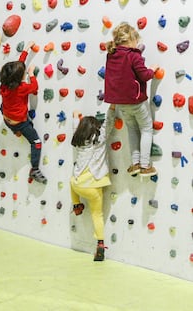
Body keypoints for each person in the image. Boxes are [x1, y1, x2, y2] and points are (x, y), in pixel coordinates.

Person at [104, 22, 159, 177]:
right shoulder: (133, 55)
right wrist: (153, 69)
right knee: (146, 128)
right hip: (136, 101)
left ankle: (134, 163)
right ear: (130, 40)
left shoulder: (111, 55)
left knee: (132, 130)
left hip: (121, 102)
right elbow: (144, 75)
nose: (137, 44)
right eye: (136, 40)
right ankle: (145, 165)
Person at [70, 105, 116, 261]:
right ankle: (100, 245)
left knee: (71, 181)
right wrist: (112, 107)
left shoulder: (80, 141)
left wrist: (77, 115)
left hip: (78, 185)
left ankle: (76, 205)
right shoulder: (100, 139)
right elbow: (109, 122)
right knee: (97, 215)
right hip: (94, 187)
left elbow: (75, 124)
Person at [0, 41, 47, 184]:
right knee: (36, 142)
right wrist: (31, 74)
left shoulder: (4, 85)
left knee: (3, 106)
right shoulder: (23, 88)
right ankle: (35, 169)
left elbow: (18, 66)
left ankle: (15, 131)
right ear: (20, 77)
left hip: (6, 119)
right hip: (20, 123)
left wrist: (26, 50)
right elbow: (34, 87)